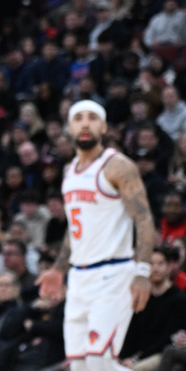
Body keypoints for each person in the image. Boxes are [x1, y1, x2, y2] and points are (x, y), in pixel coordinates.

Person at [37, 100, 158, 370]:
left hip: (114, 274)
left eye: (92, 118)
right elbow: (74, 226)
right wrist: (59, 268)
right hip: (79, 278)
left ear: (103, 127)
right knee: (79, 364)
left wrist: (143, 270)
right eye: (78, 118)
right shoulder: (69, 171)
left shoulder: (118, 166)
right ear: (70, 127)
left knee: (99, 360)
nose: (85, 123)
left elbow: (144, 218)